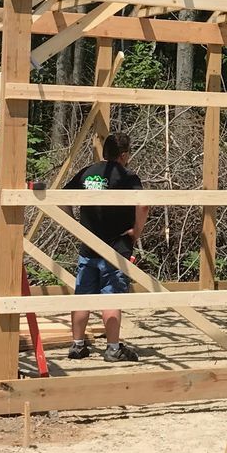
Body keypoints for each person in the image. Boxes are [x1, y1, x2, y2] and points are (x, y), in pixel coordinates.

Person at [68, 133, 147, 362]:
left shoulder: (88, 172)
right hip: (116, 247)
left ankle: (77, 345)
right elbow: (143, 205)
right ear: (124, 155)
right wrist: (136, 231)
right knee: (111, 298)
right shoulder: (127, 176)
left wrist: (73, 224)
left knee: (82, 296)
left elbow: (62, 197)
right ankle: (113, 349)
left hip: (88, 246)